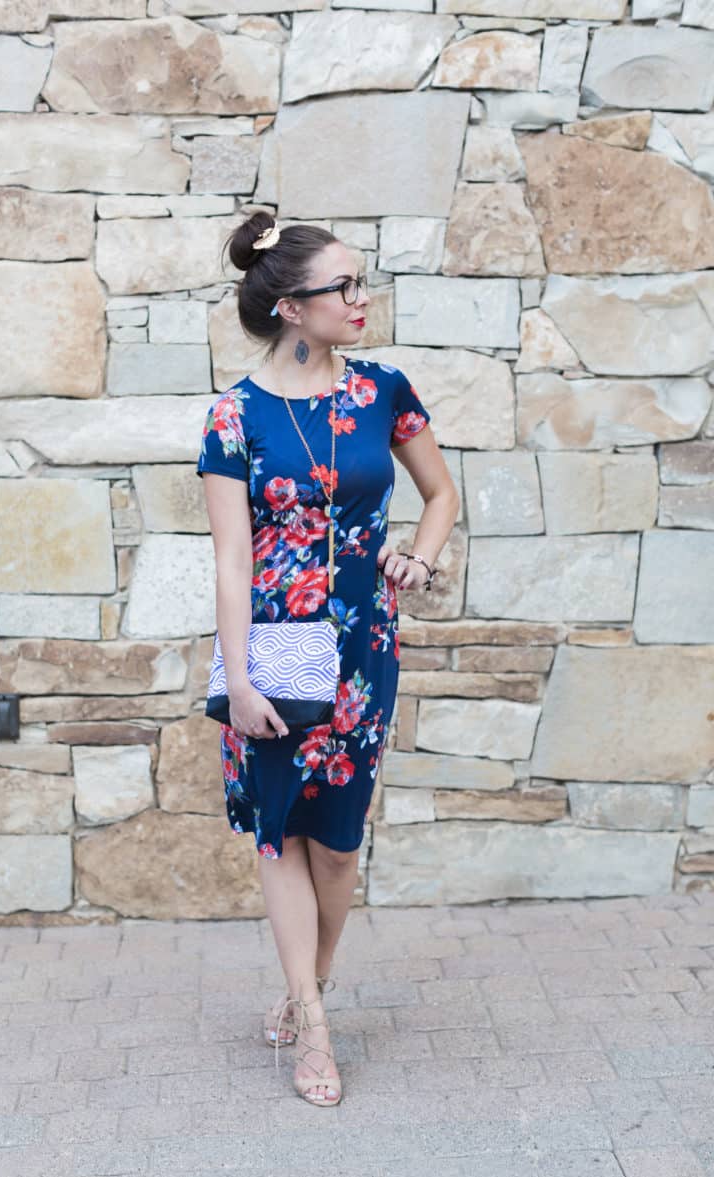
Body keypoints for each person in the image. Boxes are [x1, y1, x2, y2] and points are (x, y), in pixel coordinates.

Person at [196, 211, 459, 1107]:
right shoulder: (235, 415)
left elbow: (440, 492)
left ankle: (312, 980)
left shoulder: (384, 390)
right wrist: (236, 680)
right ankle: (313, 1022)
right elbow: (232, 558)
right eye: (342, 287)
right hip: (270, 644)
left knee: (338, 845)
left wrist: (417, 558)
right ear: (288, 307)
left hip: (362, 645)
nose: (361, 299)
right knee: (282, 831)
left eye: (360, 282)